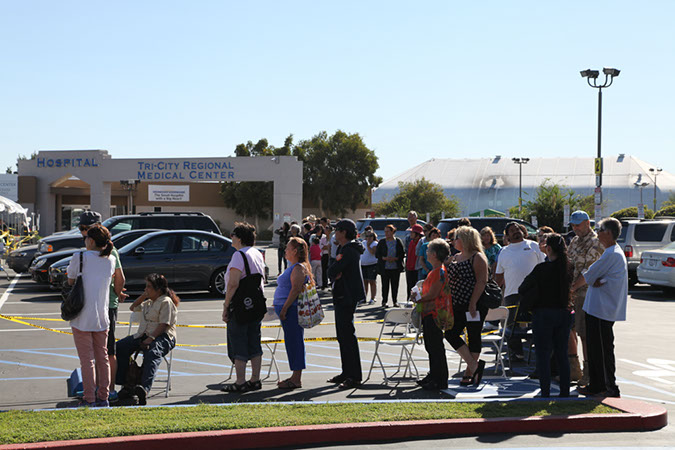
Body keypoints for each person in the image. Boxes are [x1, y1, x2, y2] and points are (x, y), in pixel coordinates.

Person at [572, 218, 628, 398]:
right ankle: (598, 385)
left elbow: (589, 274)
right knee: (598, 348)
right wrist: (593, 279)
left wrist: (572, 289)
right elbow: (593, 277)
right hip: (599, 308)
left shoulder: (611, 253)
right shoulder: (611, 252)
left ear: (608, 233)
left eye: (601, 230)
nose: (598, 233)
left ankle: (606, 387)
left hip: (601, 310)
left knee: (601, 350)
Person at [67, 224, 122, 407]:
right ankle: (103, 396)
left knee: (87, 360)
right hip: (102, 316)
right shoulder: (110, 260)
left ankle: (89, 397)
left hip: (81, 316)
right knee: (102, 357)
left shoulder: (80, 257)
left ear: (90, 241)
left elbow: (70, 279)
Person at [77, 211, 127, 402]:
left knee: (106, 351)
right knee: (93, 352)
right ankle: (96, 388)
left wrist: (115, 292)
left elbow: (120, 278)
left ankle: (109, 389)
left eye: (86, 229)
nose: (83, 233)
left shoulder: (109, 251)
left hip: (107, 306)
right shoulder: (88, 250)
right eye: (81, 229)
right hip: (91, 304)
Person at [518, 233, 572, 397]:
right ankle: (564, 391)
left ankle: (545, 391)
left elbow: (522, 288)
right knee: (562, 354)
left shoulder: (541, 268)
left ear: (548, 249)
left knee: (542, 354)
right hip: (564, 312)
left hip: (543, 313)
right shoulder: (568, 267)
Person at [115, 273, 179, 405]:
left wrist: (151, 339)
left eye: (149, 287)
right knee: (120, 347)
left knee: (152, 353)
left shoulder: (166, 302)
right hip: (143, 334)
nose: (146, 289)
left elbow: (164, 324)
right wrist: (144, 295)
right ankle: (126, 384)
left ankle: (144, 389)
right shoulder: (148, 302)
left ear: (158, 290)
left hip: (163, 336)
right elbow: (133, 307)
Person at [221, 222, 267, 393]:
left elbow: (233, 284)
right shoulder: (256, 253)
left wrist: (226, 306)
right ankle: (255, 379)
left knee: (239, 342)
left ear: (239, 238)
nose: (231, 237)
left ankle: (240, 381)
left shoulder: (238, 256)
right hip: (256, 304)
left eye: (233, 234)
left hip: (240, 305)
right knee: (255, 342)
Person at [495, 222, 546, 361]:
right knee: (511, 326)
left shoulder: (533, 245)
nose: (516, 231)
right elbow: (498, 275)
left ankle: (540, 352)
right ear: (507, 236)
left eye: (518, 229)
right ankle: (516, 353)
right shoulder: (504, 251)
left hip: (535, 293)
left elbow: (544, 266)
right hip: (512, 294)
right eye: (512, 230)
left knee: (537, 323)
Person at [444, 226, 488, 386]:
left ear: (465, 240)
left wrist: (473, 303)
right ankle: (474, 365)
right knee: (450, 333)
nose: (454, 241)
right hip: (457, 303)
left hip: (474, 304)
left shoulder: (478, 257)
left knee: (474, 336)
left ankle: (470, 372)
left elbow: (481, 281)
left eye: (457, 238)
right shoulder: (456, 257)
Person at [327, 219, 366, 389]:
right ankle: (346, 371)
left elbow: (333, 269)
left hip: (347, 295)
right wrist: (335, 270)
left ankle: (354, 375)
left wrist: (335, 270)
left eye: (337, 230)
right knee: (342, 336)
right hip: (343, 294)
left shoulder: (349, 249)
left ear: (344, 232)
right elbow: (334, 270)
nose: (335, 233)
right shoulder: (345, 248)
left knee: (347, 335)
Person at [567, 210, 604, 385]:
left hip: (586, 293)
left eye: (578, 224)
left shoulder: (596, 243)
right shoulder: (574, 241)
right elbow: (568, 264)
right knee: (569, 329)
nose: (575, 228)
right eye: (573, 225)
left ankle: (589, 372)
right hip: (572, 293)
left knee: (585, 334)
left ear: (587, 223)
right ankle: (574, 369)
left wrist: (573, 288)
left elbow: (589, 271)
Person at [413, 238, 454, 390]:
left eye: (429, 251)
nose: (427, 253)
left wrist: (419, 298)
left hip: (435, 313)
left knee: (435, 346)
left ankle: (440, 378)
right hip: (429, 312)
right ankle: (434, 374)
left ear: (435, 254)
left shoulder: (439, 271)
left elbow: (433, 294)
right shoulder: (434, 271)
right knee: (431, 346)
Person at [274, 237, 313, 389]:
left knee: (294, 342)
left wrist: (284, 308)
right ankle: (294, 376)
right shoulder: (294, 266)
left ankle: (296, 379)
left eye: (287, 248)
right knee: (292, 342)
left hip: (291, 310)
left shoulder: (298, 268)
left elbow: (295, 290)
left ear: (295, 251)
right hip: (288, 309)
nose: (285, 250)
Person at [376, 224, 404, 308]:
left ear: (393, 232)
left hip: (395, 267)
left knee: (395, 285)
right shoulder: (382, 242)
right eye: (385, 231)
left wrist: (396, 258)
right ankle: (384, 301)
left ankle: (395, 301)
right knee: (385, 285)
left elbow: (402, 253)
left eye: (388, 231)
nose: (386, 233)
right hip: (385, 267)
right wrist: (384, 258)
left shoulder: (398, 241)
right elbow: (377, 254)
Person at [405, 224, 424, 298]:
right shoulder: (411, 242)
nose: (411, 234)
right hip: (409, 268)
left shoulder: (420, 243)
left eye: (412, 232)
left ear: (418, 234)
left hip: (416, 268)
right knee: (409, 287)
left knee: (417, 288)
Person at [360, 230, 378, 304]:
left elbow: (373, 252)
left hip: (372, 265)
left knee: (372, 281)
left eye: (370, 236)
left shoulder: (375, 243)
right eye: (367, 236)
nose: (369, 237)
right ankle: (364, 297)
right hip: (363, 265)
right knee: (364, 282)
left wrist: (368, 245)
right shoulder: (363, 242)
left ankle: (373, 298)